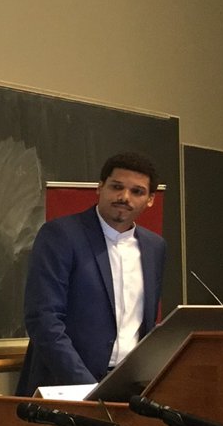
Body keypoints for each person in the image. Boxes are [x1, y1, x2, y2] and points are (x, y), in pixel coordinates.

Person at [17, 151, 167, 396]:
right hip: (66, 387)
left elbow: (146, 324)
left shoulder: (155, 247)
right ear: (100, 187)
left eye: (137, 191)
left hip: (129, 388)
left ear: (150, 199)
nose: (124, 197)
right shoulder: (61, 235)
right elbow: (43, 319)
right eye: (116, 187)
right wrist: (87, 387)